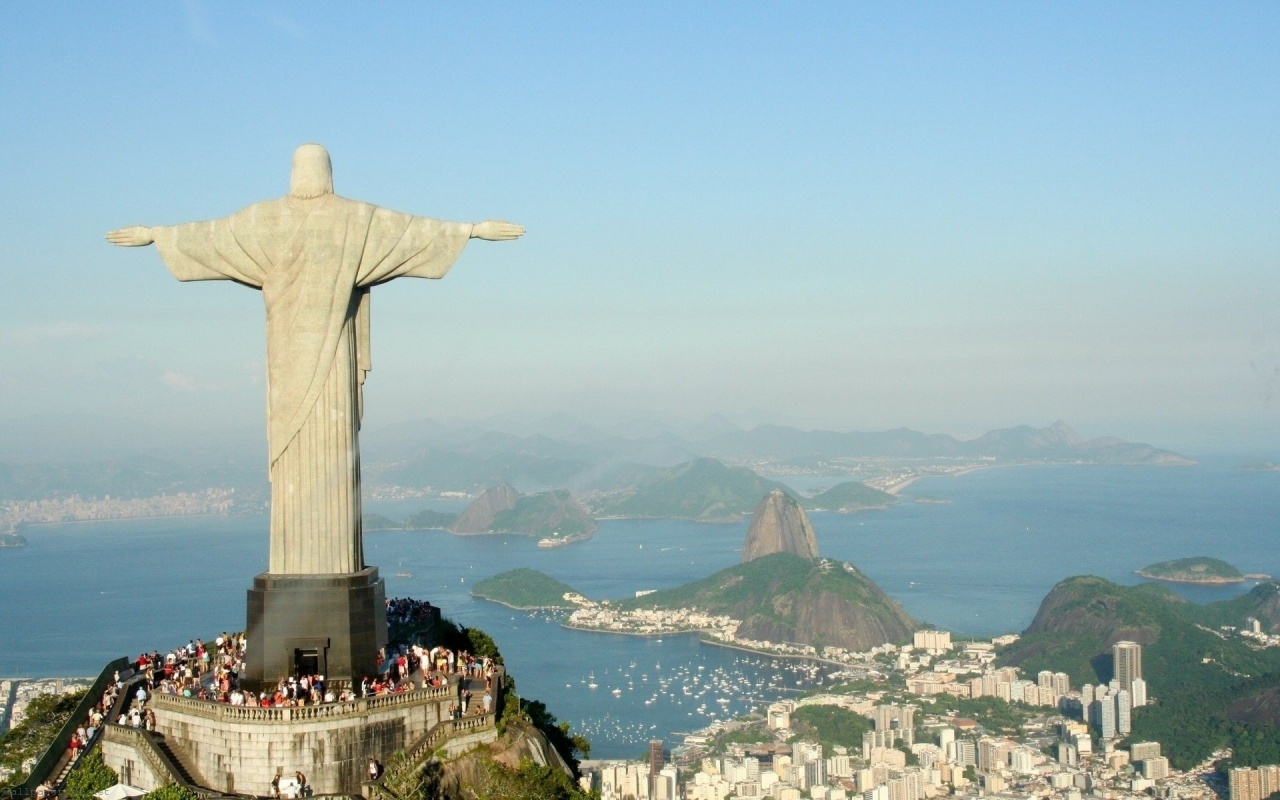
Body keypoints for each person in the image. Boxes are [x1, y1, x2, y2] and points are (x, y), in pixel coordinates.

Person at [107, 144, 524, 577]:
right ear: (328, 173)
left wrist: (157, 234)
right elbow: (411, 233)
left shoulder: (262, 221)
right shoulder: (355, 219)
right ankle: (329, 563)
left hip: (287, 364)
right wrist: (471, 230)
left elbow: (208, 236)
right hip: (326, 364)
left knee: (309, 457)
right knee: (327, 453)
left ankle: (299, 565)